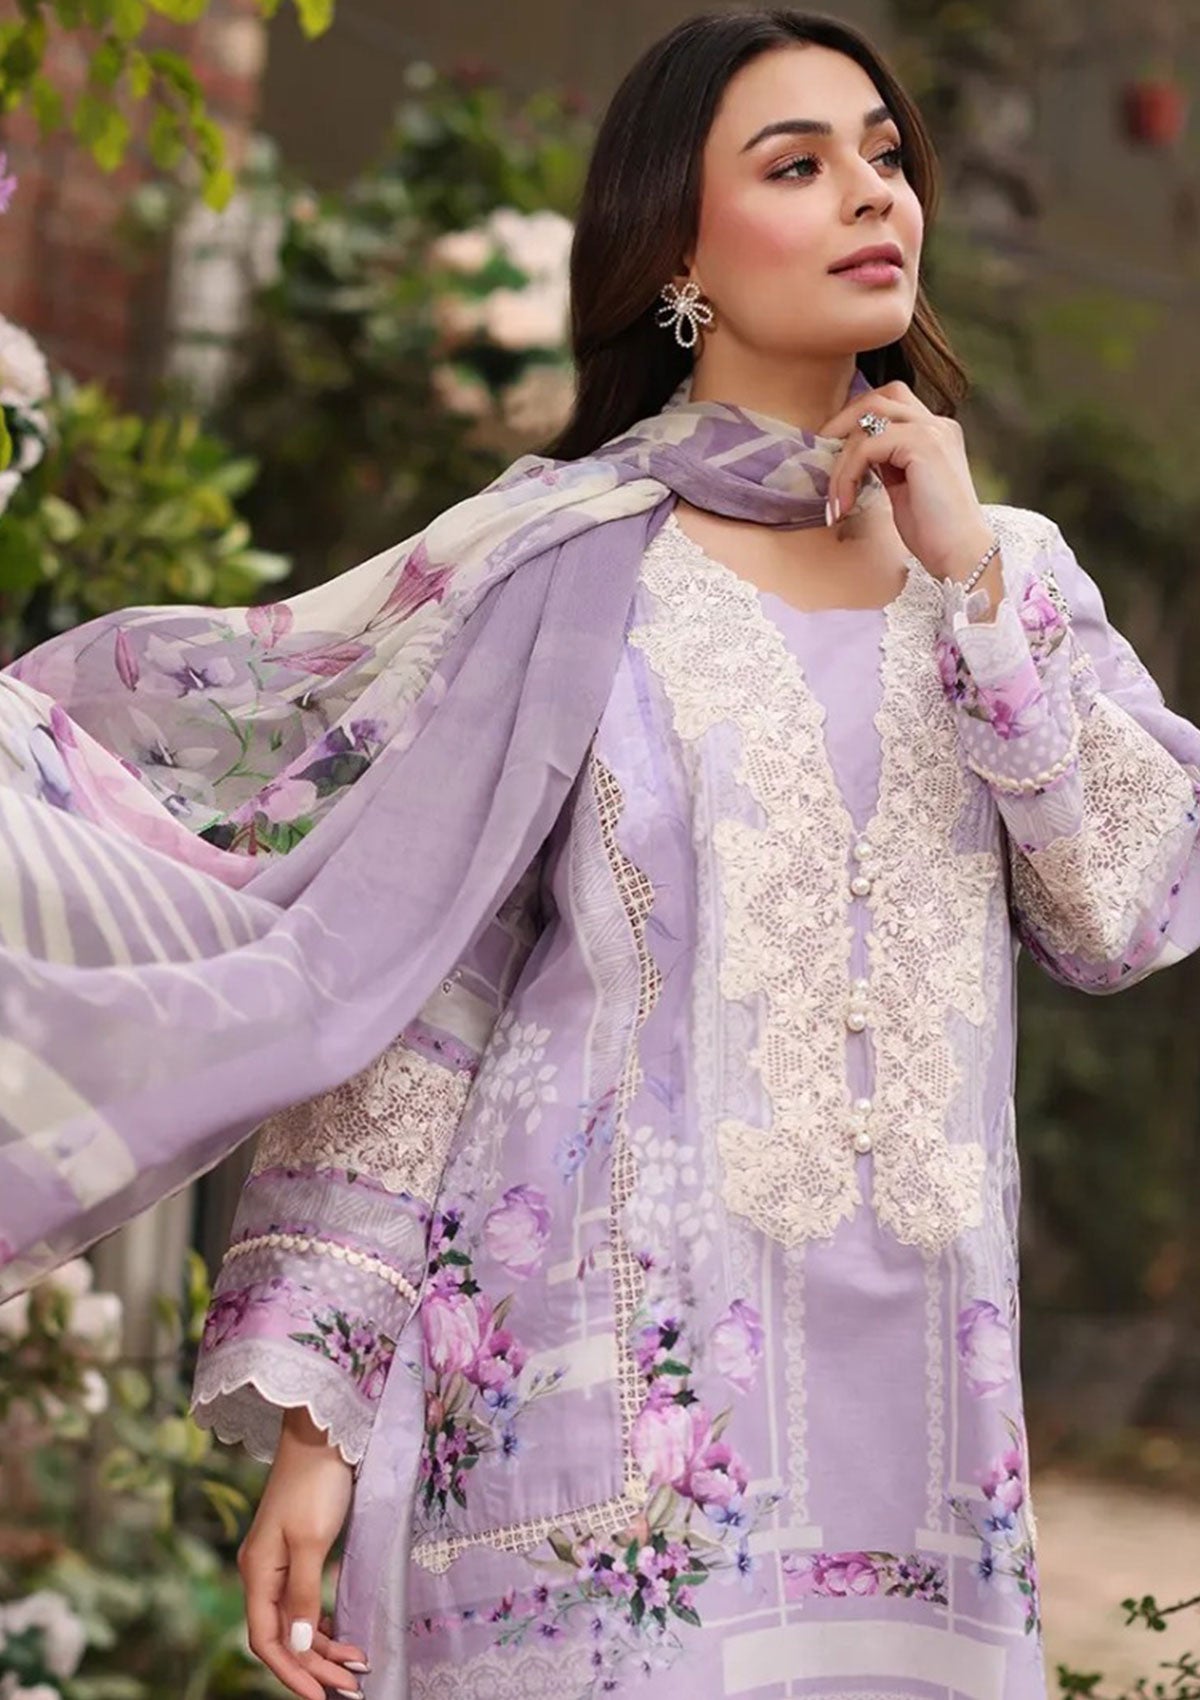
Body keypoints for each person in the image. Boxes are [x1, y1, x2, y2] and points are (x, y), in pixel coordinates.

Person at [4, 9, 1199, 1700]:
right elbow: (425, 991)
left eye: (883, 154)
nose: (873, 193)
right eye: (797, 164)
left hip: (923, 1444)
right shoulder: (565, 568)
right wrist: (320, 1427)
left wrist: (977, 593)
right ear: (677, 258)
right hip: (599, 1436)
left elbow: (1120, 912)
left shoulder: (1008, 573)